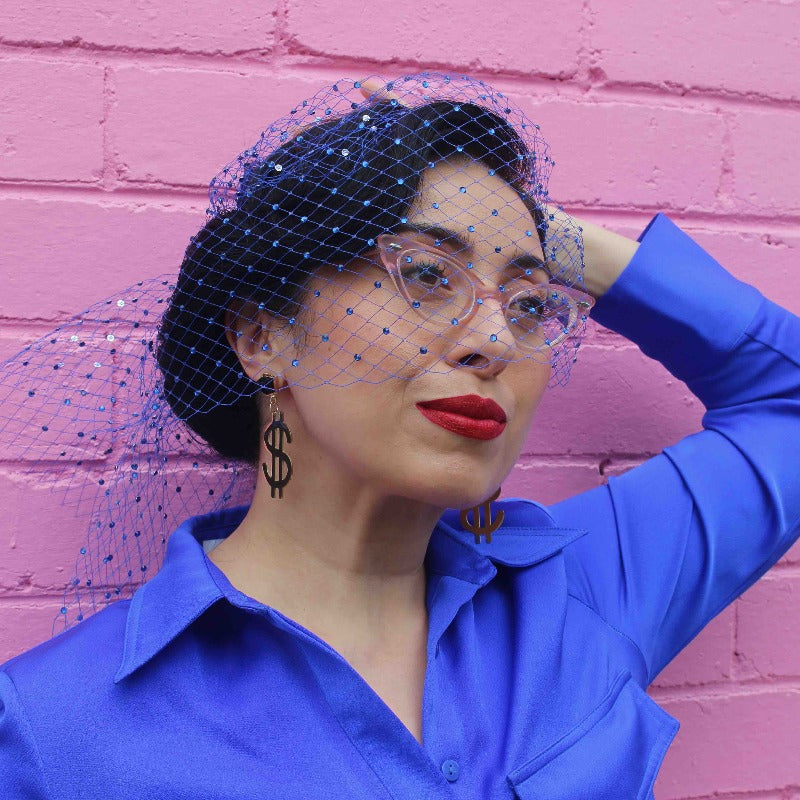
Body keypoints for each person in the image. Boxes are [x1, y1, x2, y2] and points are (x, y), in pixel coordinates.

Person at [0, 73, 797, 798]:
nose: (494, 339)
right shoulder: (51, 728)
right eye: (424, 274)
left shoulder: (582, 598)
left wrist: (546, 237)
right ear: (259, 336)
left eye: (527, 304)